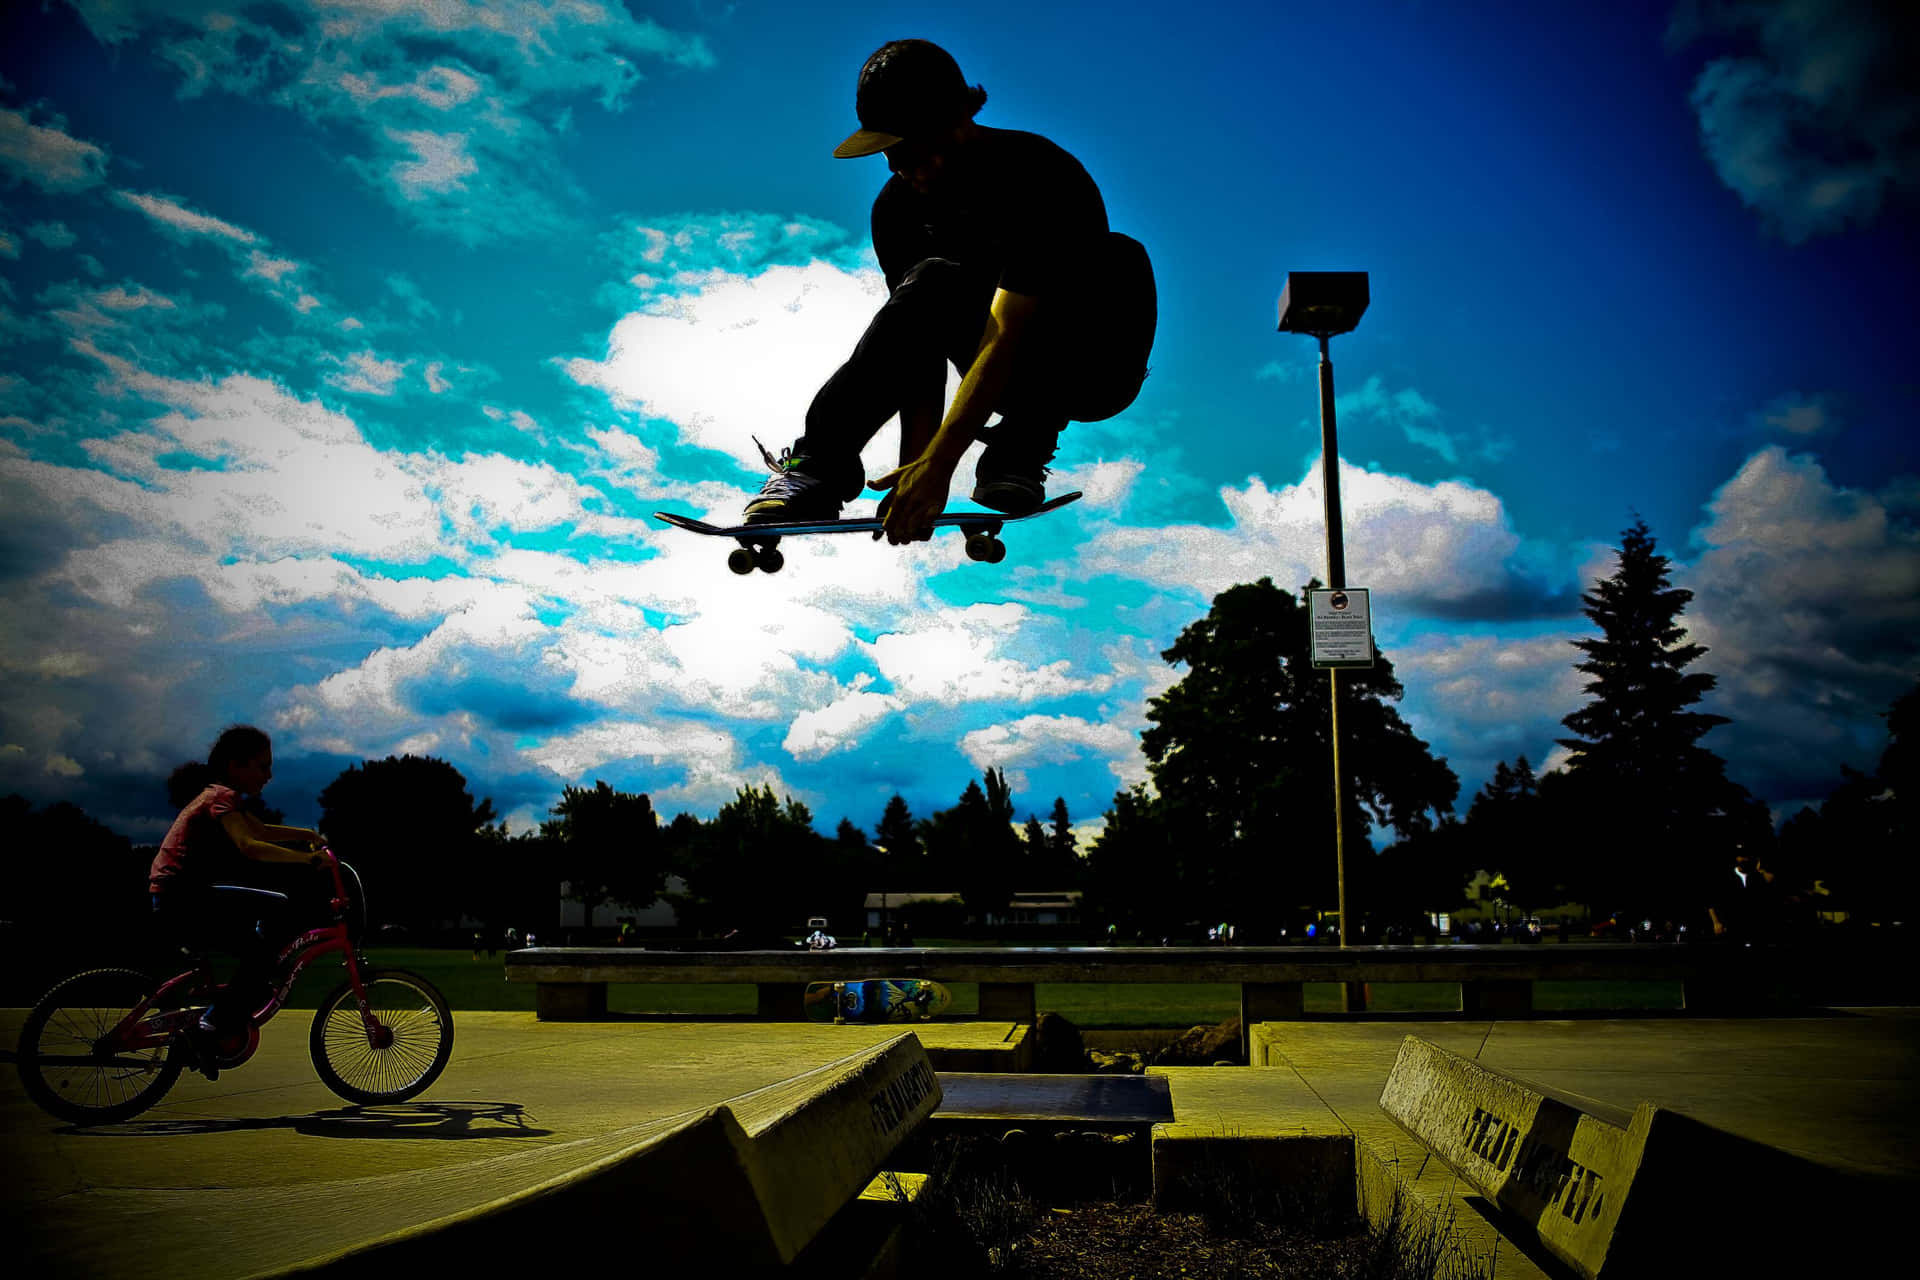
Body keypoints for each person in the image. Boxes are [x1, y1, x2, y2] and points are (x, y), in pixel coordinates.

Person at [743, 38, 1157, 544]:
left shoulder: (1040, 173)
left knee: (1122, 255)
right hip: (990, 365)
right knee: (931, 282)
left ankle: (1024, 440)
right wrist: (915, 468)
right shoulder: (897, 210)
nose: (898, 167)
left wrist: (941, 464)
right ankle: (819, 467)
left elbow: (1006, 333)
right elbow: (916, 350)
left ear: (958, 120)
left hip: (1091, 366)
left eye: (910, 149)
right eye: (888, 153)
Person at [149, 725, 326, 1062]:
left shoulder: (220, 796)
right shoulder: (221, 797)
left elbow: (260, 830)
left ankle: (244, 990)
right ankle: (211, 1024)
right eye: (263, 766)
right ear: (235, 766)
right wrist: (306, 859)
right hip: (182, 896)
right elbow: (249, 845)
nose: (269, 776)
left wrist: (307, 835)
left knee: (272, 917)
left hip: (181, 893)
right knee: (264, 946)